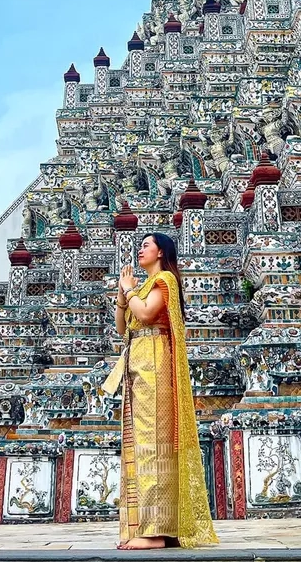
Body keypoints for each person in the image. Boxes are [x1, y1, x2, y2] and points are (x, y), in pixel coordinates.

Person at [102, 232, 218, 550]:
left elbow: (147, 314)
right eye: (140, 245)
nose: (141, 249)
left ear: (161, 252)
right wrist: (123, 295)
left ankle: (156, 531)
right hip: (137, 368)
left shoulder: (165, 279)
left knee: (154, 446)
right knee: (138, 447)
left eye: (147, 245)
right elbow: (123, 327)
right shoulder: (141, 287)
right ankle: (144, 526)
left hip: (155, 369)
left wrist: (129, 292)